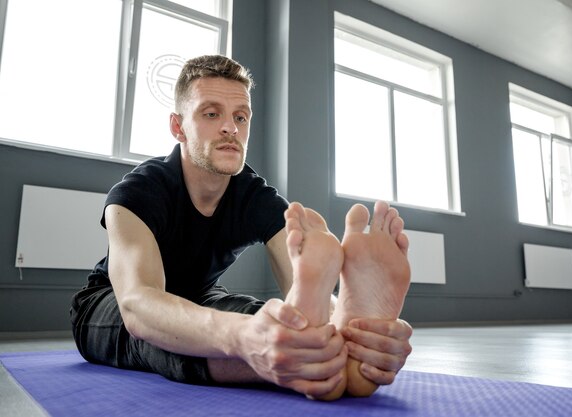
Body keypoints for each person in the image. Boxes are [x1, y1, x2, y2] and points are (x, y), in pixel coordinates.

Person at [70, 55, 412, 400]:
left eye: (240, 117)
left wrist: (359, 332)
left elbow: (302, 281)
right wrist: (242, 338)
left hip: (201, 295)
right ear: (178, 127)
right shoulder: (137, 192)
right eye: (211, 113)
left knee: (260, 318)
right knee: (162, 336)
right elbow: (138, 304)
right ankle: (306, 364)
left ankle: (339, 352)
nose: (231, 128)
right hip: (109, 303)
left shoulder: (256, 197)